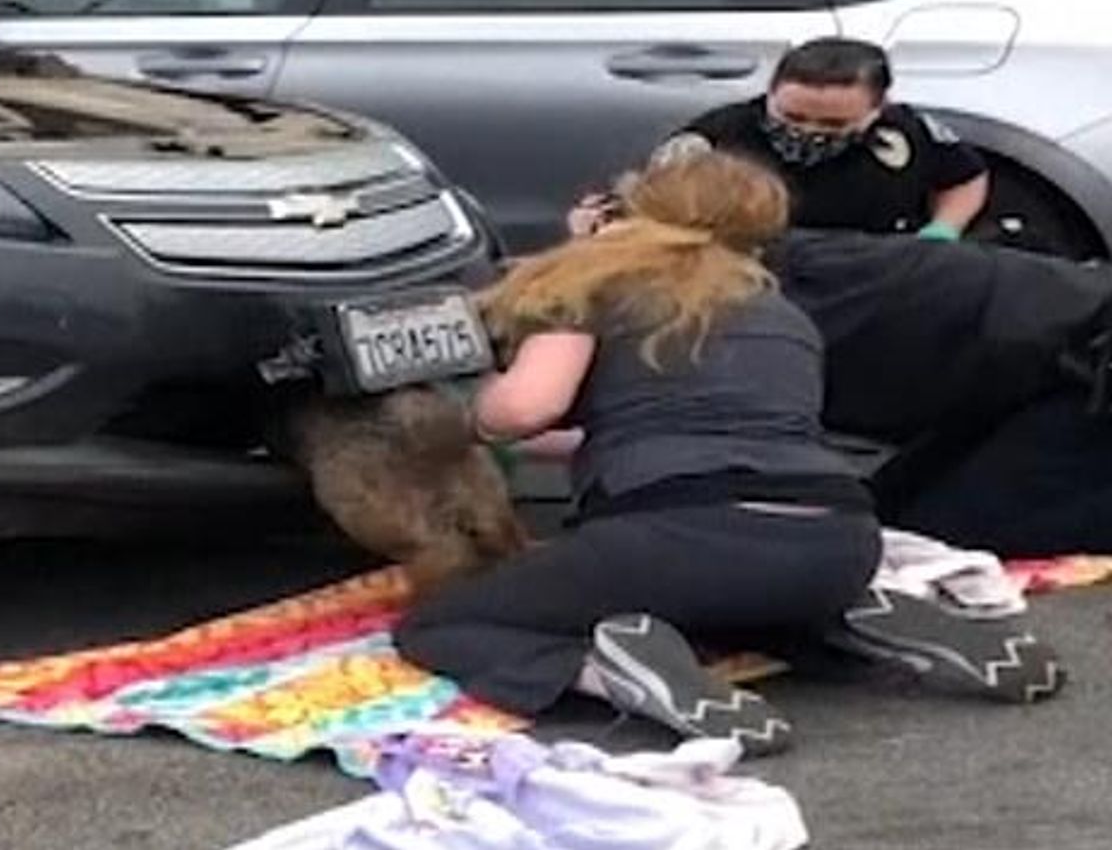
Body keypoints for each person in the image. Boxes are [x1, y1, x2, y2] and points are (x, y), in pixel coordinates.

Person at [396, 152, 1062, 757]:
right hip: (838, 540)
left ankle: (604, 674)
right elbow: (638, 424)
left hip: (677, 535)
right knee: (735, 605)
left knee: (447, 620)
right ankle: (852, 623)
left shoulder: (591, 287)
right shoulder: (783, 316)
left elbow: (524, 409)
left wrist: (466, 412)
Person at [571, 38, 990, 243]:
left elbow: (965, 177)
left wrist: (943, 230)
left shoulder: (906, 131)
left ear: (877, 109)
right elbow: (649, 208)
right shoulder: (717, 139)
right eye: (792, 116)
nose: (808, 131)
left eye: (832, 123)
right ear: (770, 93)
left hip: (880, 279)